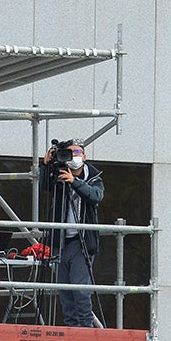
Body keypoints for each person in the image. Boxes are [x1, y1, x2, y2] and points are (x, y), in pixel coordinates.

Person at [39, 140, 104, 328]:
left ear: (84, 156)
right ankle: (71, 328)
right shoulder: (58, 174)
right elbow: (45, 186)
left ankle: (85, 329)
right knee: (65, 291)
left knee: (81, 290)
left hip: (81, 241)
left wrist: (74, 182)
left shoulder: (93, 177)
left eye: (77, 152)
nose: (74, 156)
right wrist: (45, 166)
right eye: (70, 152)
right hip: (60, 241)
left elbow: (95, 196)